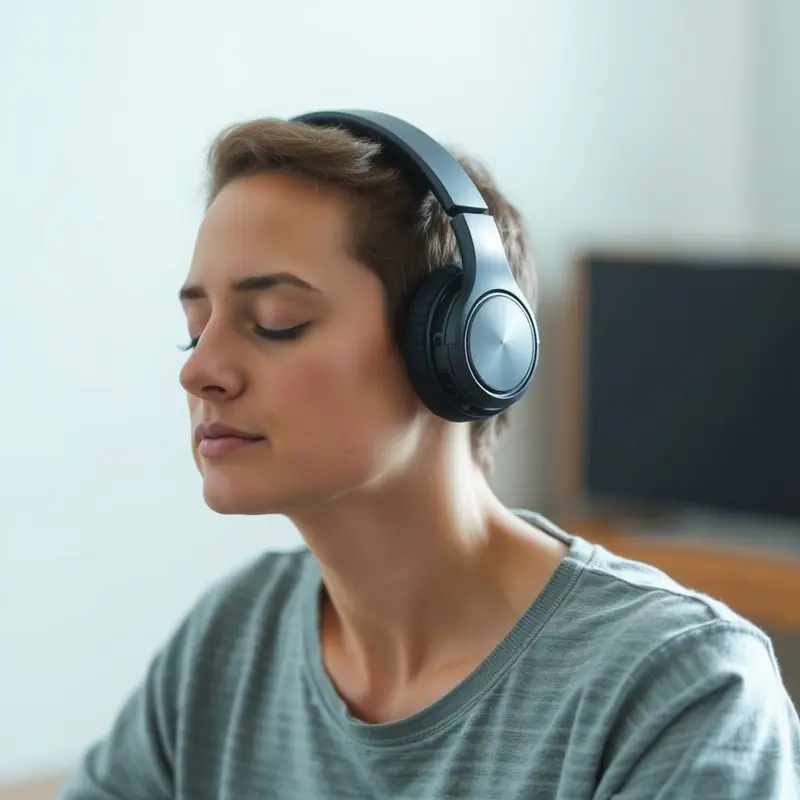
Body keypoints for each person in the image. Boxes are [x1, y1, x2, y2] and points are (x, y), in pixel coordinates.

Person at [58, 111, 800, 800]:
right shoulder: (234, 635)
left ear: (458, 347)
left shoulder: (680, 689)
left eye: (275, 321)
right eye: (196, 328)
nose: (199, 370)